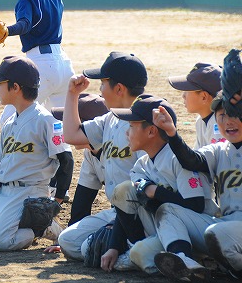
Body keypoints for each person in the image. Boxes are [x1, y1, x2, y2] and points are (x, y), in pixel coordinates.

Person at [0, 56, 73, 250]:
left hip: (29, 192)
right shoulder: (9, 124)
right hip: (3, 192)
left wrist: (57, 201)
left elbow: (66, 160)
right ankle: (14, 223)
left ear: (15, 87)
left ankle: (40, 227)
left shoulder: (45, 121)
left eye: (1, 84)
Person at [103, 95, 216, 275]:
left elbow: (196, 206)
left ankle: (195, 257)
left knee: (165, 209)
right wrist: (114, 246)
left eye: (131, 127)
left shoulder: (177, 159)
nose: (126, 132)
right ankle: (173, 260)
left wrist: (156, 192)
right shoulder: (141, 165)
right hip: (167, 232)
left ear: (151, 132)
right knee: (138, 252)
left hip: (200, 228)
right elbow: (127, 205)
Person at [57, 52, 148, 262]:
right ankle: (131, 252)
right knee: (68, 240)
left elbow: (150, 182)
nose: (100, 90)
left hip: (145, 212)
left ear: (119, 88)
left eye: (103, 83)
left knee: (90, 247)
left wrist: (118, 229)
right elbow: (71, 135)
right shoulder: (110, 119)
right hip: (118, 213)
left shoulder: (145, 121)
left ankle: (133, 255)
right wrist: (72, 95)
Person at [151, 92, 242, 280]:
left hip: (226, 231)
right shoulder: (220, 150)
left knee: (217, 233)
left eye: (235, 113)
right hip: (224, 226)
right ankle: (185, 262)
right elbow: (191, 161)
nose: (228, 121)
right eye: (222, 115)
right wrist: (172, 134)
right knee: (168, 210)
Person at [1, 0, 74, 120]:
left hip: (42, 64)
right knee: (57, 123)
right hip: (64, 66)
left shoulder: (26, 0)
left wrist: (6, 31)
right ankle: (60, 149)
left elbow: (25, 24)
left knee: (10, 120)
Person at [51, 93, 109, 226]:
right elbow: (81, 204)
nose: (66, 130)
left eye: (71, 124)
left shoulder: (120, 151)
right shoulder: (90, 154)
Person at [168, 62, 224, 148]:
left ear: (204, 97)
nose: (183, 95)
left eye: (187, 90)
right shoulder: (201, 120)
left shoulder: (222, 125)